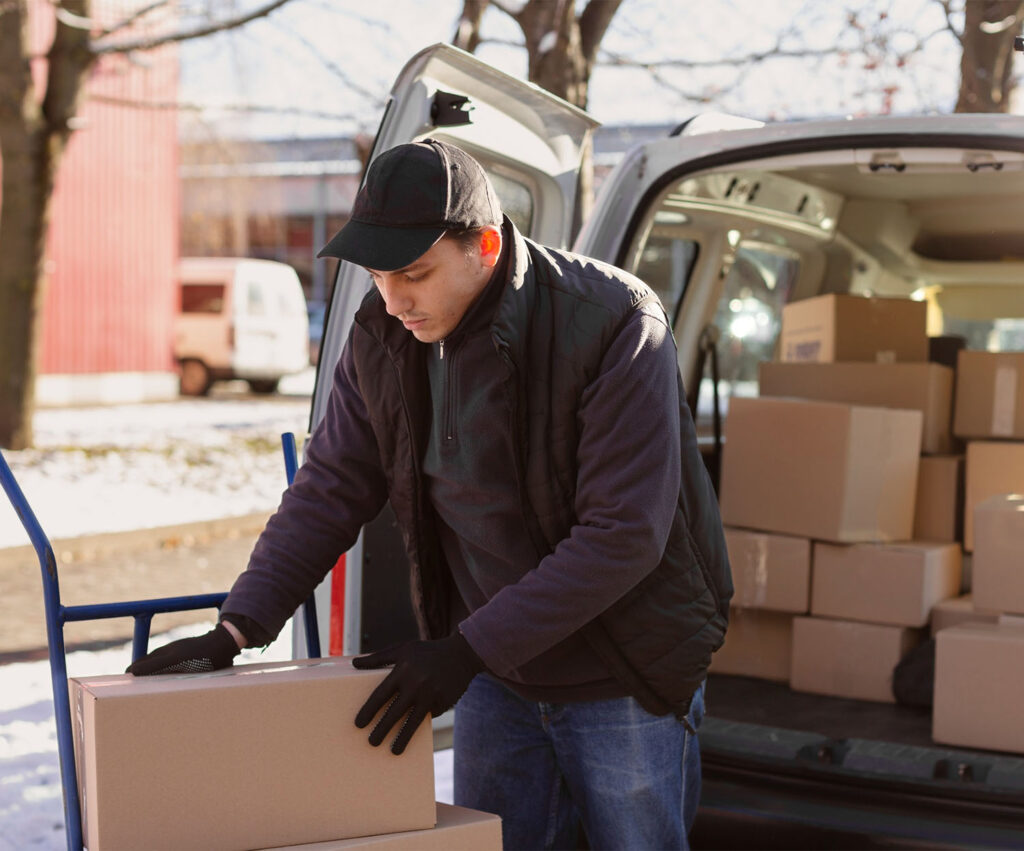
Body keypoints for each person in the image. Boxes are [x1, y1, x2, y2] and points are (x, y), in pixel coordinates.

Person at [129, 138, 733, 850]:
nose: (394, 300)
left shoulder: (614, 322)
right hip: (496, 674)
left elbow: (623, 535)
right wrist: (238, 626)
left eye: (414, 273)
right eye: (378, 276)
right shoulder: (381, 334)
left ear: (484, 245)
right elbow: (329, 487)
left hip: (623, 667)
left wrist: (464, 651)